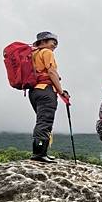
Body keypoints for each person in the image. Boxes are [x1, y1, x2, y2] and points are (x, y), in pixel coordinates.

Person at [29, 31, 69, 162]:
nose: (55, 45)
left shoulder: (33, 54)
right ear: (44, 42)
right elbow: (51, 71)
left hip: (34, 91)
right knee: (45, 122)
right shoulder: (47, 52)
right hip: (46, 91)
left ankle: (40, 151)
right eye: (53, 41)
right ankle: (39, 154)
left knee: (41, 121)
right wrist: (61, 90)